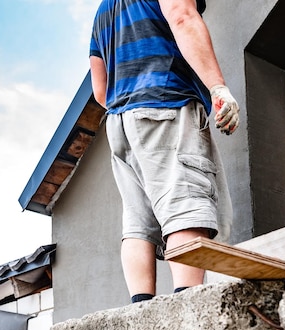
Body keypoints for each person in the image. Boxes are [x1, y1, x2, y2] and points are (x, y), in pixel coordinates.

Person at [89, 0, 238, 303]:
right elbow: (182, 17)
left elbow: (100, 90)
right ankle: (187, 307)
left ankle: (142, 312)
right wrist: (217, 87)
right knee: (184, 202)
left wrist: (134, 109)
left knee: (138, 222)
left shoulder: (104, 11)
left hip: (120, 121)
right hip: (165, 104)